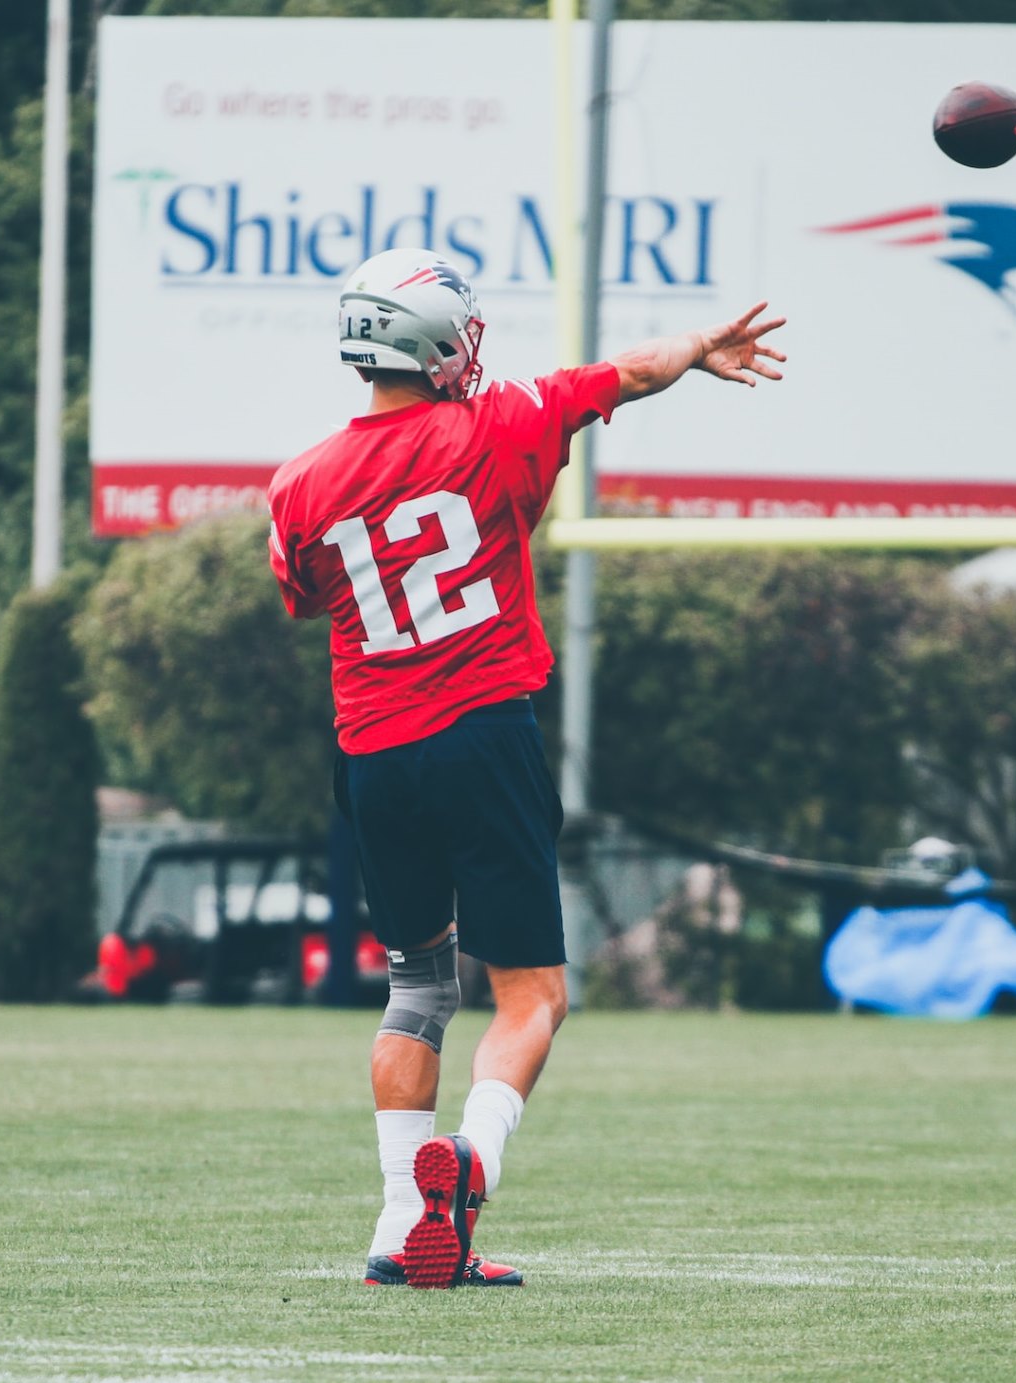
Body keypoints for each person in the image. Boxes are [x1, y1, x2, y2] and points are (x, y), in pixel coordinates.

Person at [266, 246, 785, 1289]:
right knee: (531, 994)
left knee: (414, 987)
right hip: (482, 734)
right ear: (431, 343)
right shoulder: (498, 421)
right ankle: (469, 1163)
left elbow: (311, 594)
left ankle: (394, 1227)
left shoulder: (300, 481)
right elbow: (629, 372)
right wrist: (696, 348)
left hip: (369, 752)